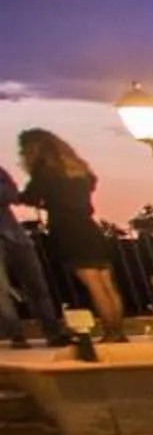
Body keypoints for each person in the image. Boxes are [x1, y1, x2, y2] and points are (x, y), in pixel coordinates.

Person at [14, 131, 126, 360]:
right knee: (106, 283)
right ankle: (118, 330)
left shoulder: (45, 172)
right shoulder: (80, 171)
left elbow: (28, 197)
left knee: (93, 285)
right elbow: (87, 189)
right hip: (89, 226)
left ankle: (110, 332)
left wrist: (48, 203)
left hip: (68, 230)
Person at [0, 165, 59, 347]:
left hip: (15, 235)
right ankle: (16, 335)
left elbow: (12, 195)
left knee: (37, 286)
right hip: (12, 234)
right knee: (1, 292)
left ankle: (53, 332)